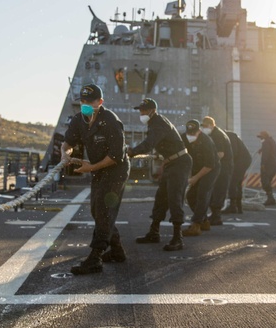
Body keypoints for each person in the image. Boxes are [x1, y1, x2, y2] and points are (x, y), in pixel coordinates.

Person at [61, 84, 130, 274]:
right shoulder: (78, 120)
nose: (85, 105)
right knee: (96, 210)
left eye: (90, 102)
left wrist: (90, 167)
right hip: (99, 169)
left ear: (100, 102)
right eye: (82, 101)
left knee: (104, 210)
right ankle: (117, 251)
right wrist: (65, 154)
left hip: (116, 169)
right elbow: (67, 143)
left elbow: (116, 156)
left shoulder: (111, 121)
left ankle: (96, 257)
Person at [128, 98, 192, 251]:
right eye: (140, 110)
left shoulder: (158, 123)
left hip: (180, 163)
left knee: (175, 198)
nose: (141, 113)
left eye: (144, 110)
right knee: (161, 198)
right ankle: (154, 232)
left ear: (152, 110)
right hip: (171, 162)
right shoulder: (154, 122)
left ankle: (178, 239)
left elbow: (149, 144)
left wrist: (132, 152)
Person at [182, 119, 218, 236]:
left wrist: (195, 178)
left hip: (211, 169)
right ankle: (204, 221)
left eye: (193, 134)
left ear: (199, 131)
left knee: (202, 193)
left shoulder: (206, 141)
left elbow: (209, 166)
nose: (190, 136)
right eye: (189, 133)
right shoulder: (183, 138)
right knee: (191, 195)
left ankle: (196, 226)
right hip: (197, 168)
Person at [200, 116, 233, 225]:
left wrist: (209, 163)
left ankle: (216, 216)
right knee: (216, 190)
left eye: (205, 126)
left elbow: (220, 154)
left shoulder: (217, 135)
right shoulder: (216, 133)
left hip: (223, 167)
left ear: (210, 125)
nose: (203, 128)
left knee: (218, 190)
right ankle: (215, 214)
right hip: (221, 166)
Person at [223, 131, 252, 214]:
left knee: (232, 182)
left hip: (241, 161)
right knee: (237, 183)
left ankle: (233, 206)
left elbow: (234, 152)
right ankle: (238, 206)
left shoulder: (229, 136)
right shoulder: (228, 136)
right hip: (243, 160)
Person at [256, 130, 276, 205]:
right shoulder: (271, 141)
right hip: (274, 165)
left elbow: (266, 154)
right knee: (268, 181)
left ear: (264, 136)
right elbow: (269, 149)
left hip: (268, 165)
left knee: (265, 181)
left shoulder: (266, 142)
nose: (260, 139)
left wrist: (262, 164)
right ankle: (271, 198)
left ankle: (270, 198)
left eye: (261, 137)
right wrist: (261, 149)